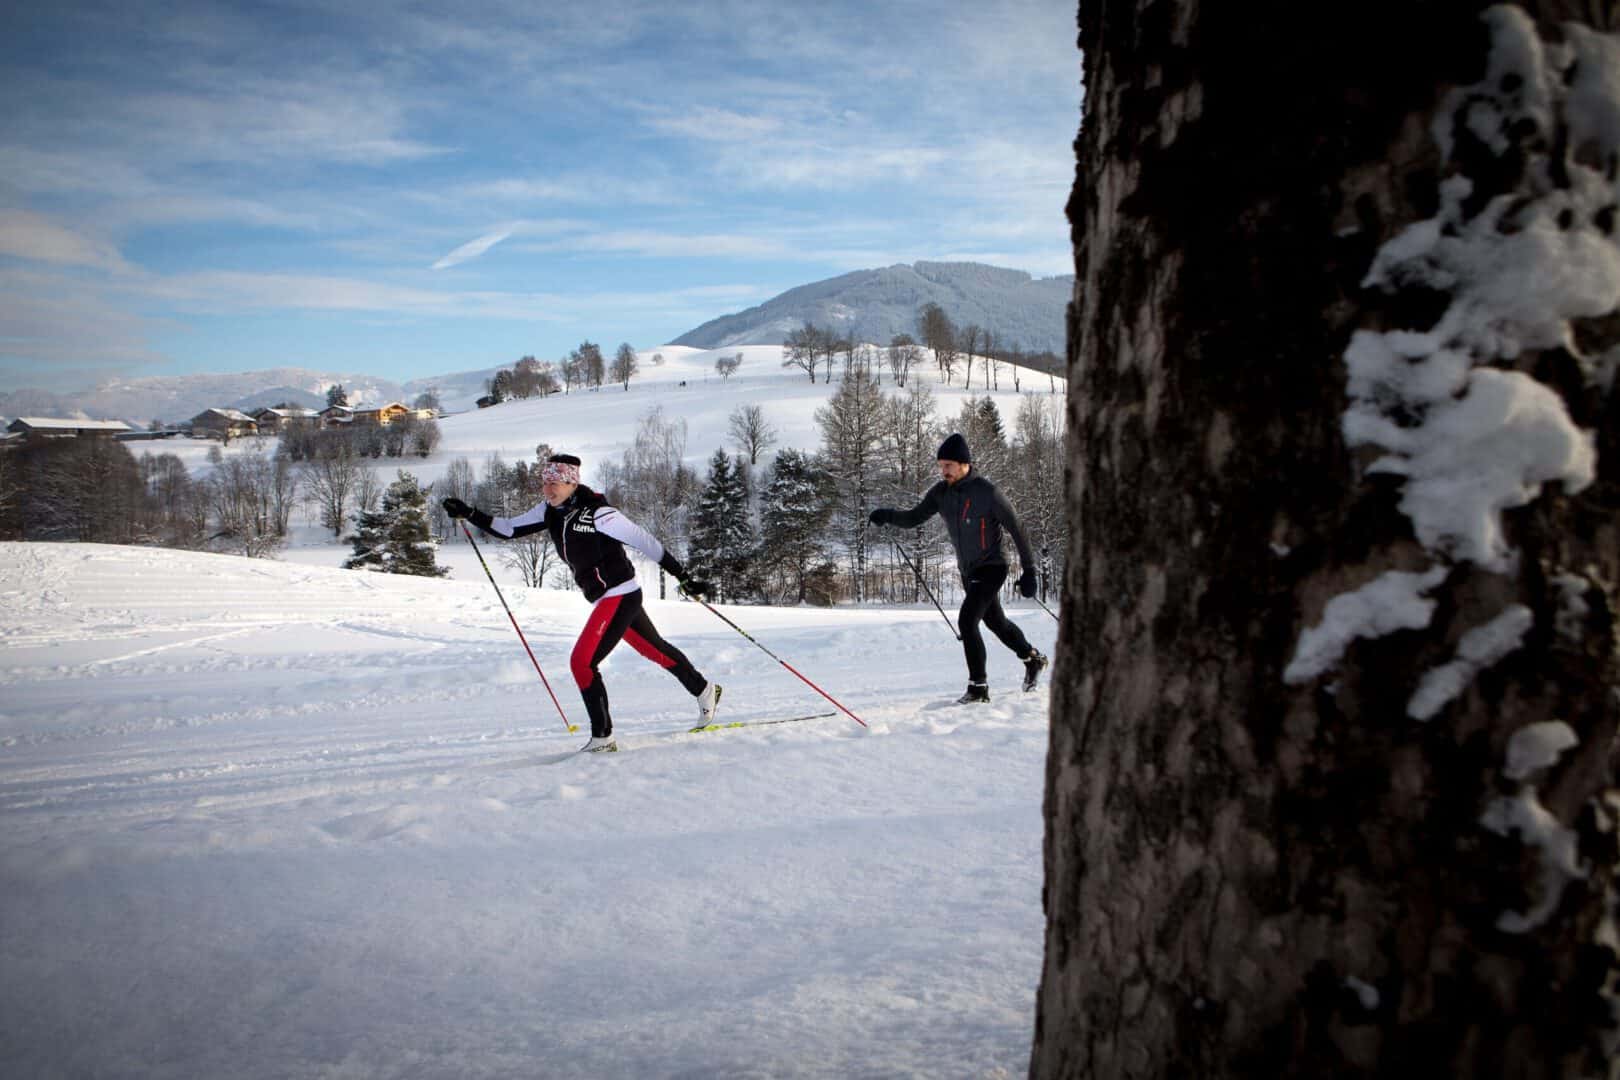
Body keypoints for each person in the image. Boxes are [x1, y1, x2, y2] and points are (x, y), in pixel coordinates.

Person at [443, 453, 720, 753]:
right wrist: (470, 513)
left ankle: (602, 738)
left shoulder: (599, 514)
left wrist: (684, 577)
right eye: (545, 483)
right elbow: (509, 529)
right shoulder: (549, 511)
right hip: (607, 597)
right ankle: (704, 689)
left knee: (582, 663)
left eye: (556, 483)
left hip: (620, 594)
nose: (548, 489)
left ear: (572, 483)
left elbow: (645, 541)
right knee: (654, 649)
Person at [868, 432, 1048, 703]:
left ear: (965, 464)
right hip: (968, 571)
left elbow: (1017, 528)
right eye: (941, 466)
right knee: (996, 623)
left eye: (948, 465)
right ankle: (1032, 659)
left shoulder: (988, 493)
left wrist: (1030, 570)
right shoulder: (941, 493)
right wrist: (887, 515)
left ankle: (978, 687)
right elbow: (915, 517)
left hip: (993, 566)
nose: (944, 471)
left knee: (967, 620)